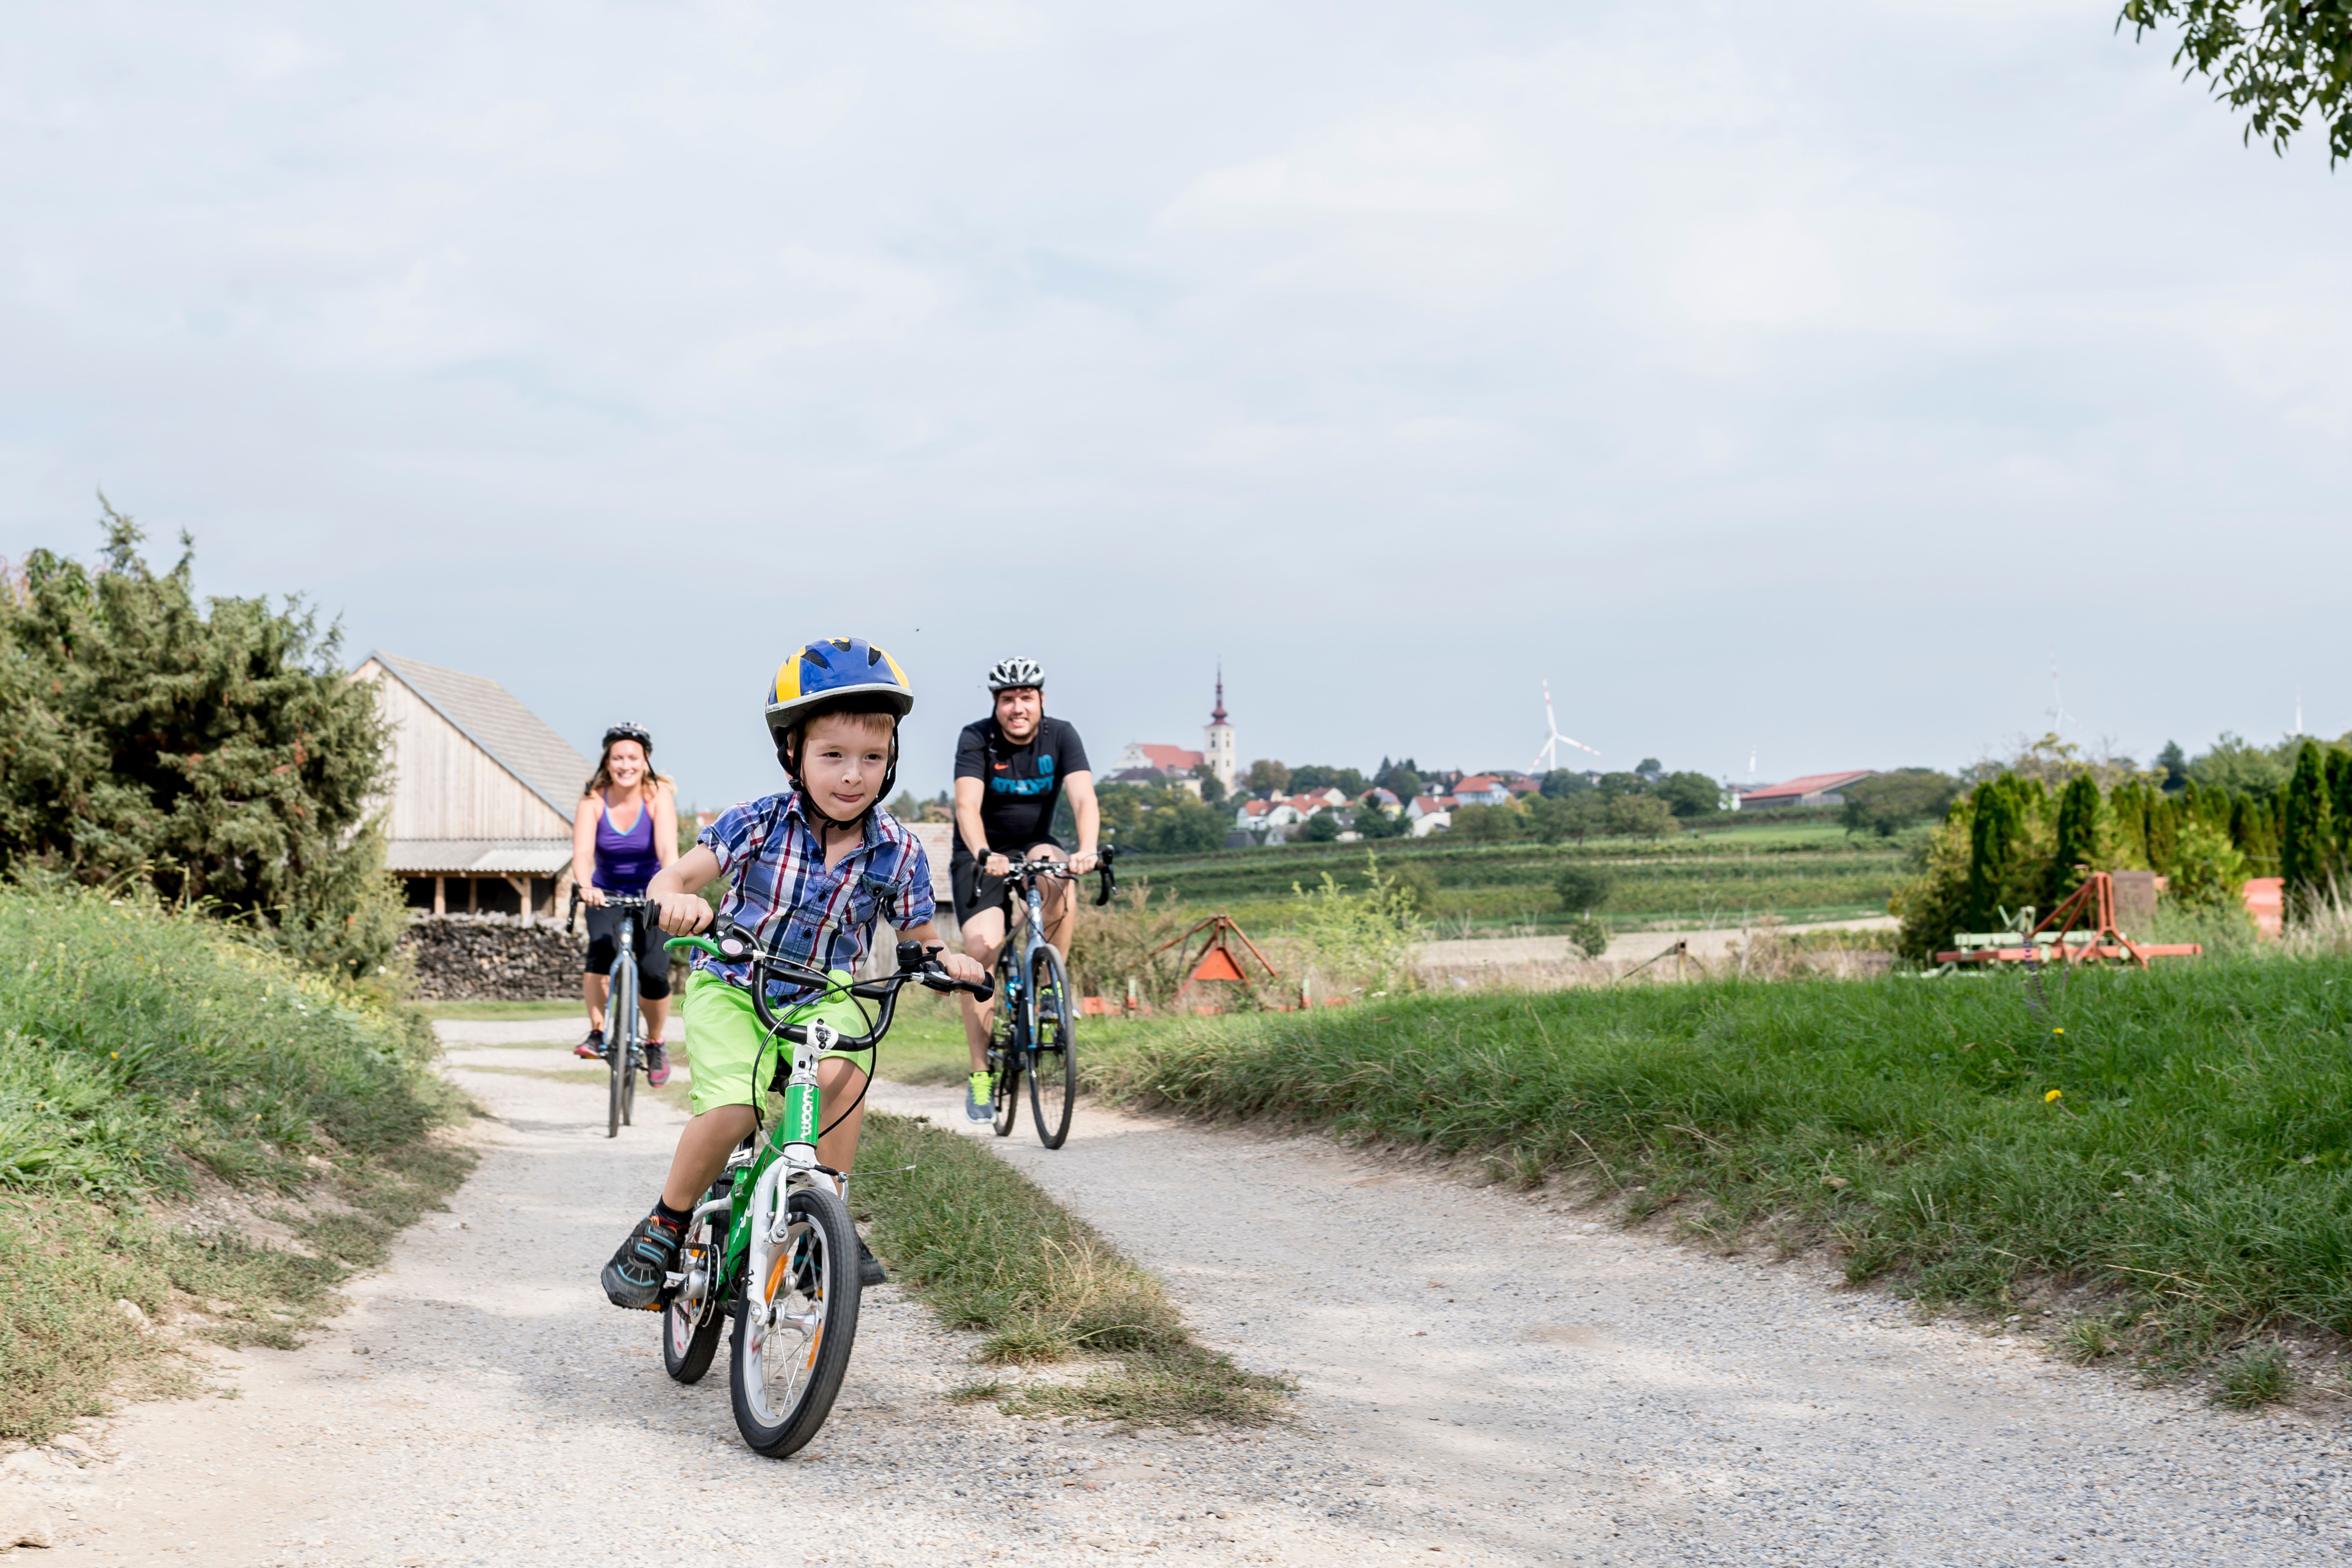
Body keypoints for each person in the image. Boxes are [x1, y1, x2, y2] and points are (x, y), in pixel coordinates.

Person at [601, 637, 985, 1309]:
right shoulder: (758, 822)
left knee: (848, 1075)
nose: (852, 775)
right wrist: (678, 898)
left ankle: (821, 1212)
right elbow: (680, 873)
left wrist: (942, 958)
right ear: (793, 756)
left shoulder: (897, 851)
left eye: (872, 758)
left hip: (824, 991)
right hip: (735, 983)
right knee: (735, 1109)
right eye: (832, 755)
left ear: (891, 762)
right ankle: (665, 1221)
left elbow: (920, 937)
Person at [951, 656, 1098, 1121]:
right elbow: (967, 805)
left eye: (1026, 698)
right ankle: (980, 1075)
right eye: (1008, 699)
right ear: (997, 703)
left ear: (1041, 701)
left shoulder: (1062, 735)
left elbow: (1082, 797)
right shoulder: (977, 738)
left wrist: (1088, 848)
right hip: (981, 857)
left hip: (1036, 844)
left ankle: (1050, 985)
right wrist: (982, 853)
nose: (1018, 707)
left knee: (1058, 875)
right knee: (981, 952)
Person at [571, 723, 681, 1086]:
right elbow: (583, 853)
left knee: (654, 972)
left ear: (645, 761)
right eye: (618, 758)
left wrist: (669, 888)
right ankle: (598, 1032)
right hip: (606, 894)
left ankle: (654, 1042)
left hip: (652, 892)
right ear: (607, 761)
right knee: (600, 953)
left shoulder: (657, 796)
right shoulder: (592, 799)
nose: (625, 765)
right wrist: (586, 886)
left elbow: (668, 851)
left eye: (633, 757)